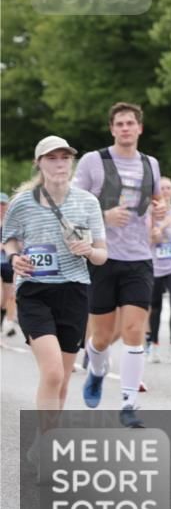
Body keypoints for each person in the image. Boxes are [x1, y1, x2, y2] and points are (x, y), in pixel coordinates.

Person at [3, 137, 107, 440]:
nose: (60, 163)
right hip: (34, 291)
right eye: (52, 158)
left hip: (74, 291)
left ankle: (47, 438)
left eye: (65, 157)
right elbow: (9, 240)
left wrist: (89, 250)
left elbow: (102, 255)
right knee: (52, 372)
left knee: (61, 380)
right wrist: (15, 258)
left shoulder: (88, 202)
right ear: (39, 164)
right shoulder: (23, 203)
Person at [74, 102, 166, 428]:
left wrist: (159, 211)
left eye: (131, 123)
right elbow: (72, 206)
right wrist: (104, 216)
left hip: (139, 259)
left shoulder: (151, 163)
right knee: (100, 338)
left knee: (134, 331)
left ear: (140, 128)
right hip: (103, 257)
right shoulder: (93, 161)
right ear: (112, 129)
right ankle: (97, 371)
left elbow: (156, 200)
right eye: (120, 124)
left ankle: (129, 403)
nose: (126, 128)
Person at [146, 176, 171, 364]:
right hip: (156, 266)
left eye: (169, 188)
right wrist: (161, 227)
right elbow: (151, 240)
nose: (166, 191)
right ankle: (154, 346)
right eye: (162, 188)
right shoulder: (150, 214)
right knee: (155, 307)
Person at [1, 192, 17, 338]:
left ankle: (3, 327)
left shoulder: (11, 223)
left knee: (6, 301)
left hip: (8, 265)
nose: (1, 207)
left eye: (3, 204)